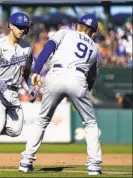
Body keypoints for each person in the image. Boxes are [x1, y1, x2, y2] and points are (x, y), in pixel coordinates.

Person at [19, 14, 102, 175]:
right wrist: (84, 94)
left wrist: (36, 71)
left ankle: (25, 161)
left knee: (42, 120)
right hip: (78, 78)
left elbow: (48, 48)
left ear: (78, 26)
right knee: (90, 124)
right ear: (93, 32)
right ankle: (94, 166)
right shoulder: (94, 47)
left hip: (56, 74)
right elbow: (92, 77)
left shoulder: (65, 32)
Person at [0, 12, 36, 171]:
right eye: (19, 27)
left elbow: (26, 72)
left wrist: (30, 87)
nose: (23, 30)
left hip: (14, 91)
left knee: (15, 130)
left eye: (25, 28)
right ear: (10, 25)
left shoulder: (27, 47)